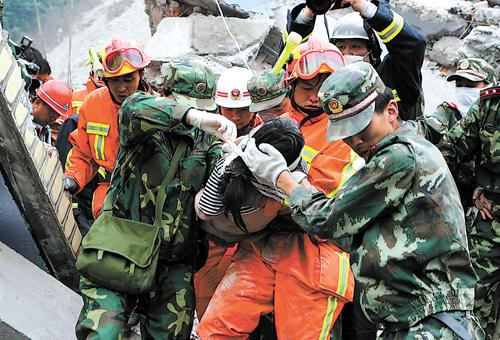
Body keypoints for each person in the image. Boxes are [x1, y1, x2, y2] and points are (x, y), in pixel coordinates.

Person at [242, 62, 484, 339]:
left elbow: (328, 220)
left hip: (430, 324)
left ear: (391, 110)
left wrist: (281, 178)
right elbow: (349, 233)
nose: (355, 140)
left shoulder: (399, 157)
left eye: (361, 127)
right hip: (416, 322)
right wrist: (299, 181)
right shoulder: (405, 152)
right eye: (345, 132)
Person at [75, 90, 237, 339]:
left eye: (203, 108)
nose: (197, 115)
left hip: (172, 262)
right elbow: (133, 107)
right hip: (120, 249)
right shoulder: (141, 123)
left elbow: (215, 195)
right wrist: (191, 117)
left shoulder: (206, 142)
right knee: (104, 332)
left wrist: (231, 164)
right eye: (190, 107)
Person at [196, 118, 354, 339]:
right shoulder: (251, 152)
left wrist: (284, 180)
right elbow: (205, 208)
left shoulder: (328, 155)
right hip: (265, 246)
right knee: (216, 332)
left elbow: (327, 222)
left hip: (314, 257)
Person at [284, 0, 426, 121]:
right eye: (341, 47)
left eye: (355, 47)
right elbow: (292, 59)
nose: (347, 53)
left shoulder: (394, 74)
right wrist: (309, 12)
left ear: (373, 53)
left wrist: (367, 9)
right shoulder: (329, 82)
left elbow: (413, 46)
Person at [63, 38, 154, 219]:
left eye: (128, 79)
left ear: (141, 74)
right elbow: (83, 153)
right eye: (114, 81)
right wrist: (72, 178)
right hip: (109, 193)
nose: (121, 88)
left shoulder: (157, 108)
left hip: (151, 195)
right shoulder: (93, 104)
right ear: (104, 79)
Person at [439, 83, 500, 339]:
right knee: (472, 308)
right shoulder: (491, 105)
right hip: (490, 226)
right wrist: (466, 192)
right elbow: (448, 151)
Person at [417, 57, 496, 145]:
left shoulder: (495, 117)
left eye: (470, 84)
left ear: (490, 86)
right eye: (459, 85)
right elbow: (427, 129)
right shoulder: (449, 112)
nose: (463, 90)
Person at [215, 66, 262, 136]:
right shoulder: (206, 130)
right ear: (219, 108)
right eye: (229, 109)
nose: (235, 117)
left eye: (243, 109)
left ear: (255, 109)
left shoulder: (264, 130)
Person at [30, 79, 72, 144]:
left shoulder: (45, 130)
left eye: (58, 115)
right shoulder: (19, 121)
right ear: (37, 103)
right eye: (52, 113)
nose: (53, 119)